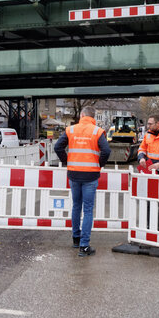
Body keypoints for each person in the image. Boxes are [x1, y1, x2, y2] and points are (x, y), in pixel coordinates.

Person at [54, 106, 111, 257]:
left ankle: (76, 239)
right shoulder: (97, 131)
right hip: (90, 175)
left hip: (73, 173)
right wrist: (100, 164)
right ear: (92, 117)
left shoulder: (71, 130)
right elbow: (106, 151)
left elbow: (58, 147)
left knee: (76, 206)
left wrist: (67, 161)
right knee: (87, 210)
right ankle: (84, 246)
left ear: (82, 115)